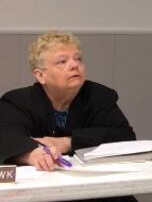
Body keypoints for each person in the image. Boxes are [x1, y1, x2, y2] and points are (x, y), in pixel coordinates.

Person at [0, 31, 136, 171]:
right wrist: (33, 154)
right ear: (40, 75)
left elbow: (124, 136)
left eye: (78, 59)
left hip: (94, 183)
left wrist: (68, 142)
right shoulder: (18, 101)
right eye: (62, 61)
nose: (74, 65)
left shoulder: (98, 96)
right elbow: (6, 137)